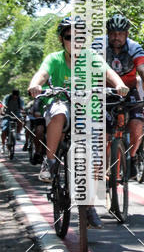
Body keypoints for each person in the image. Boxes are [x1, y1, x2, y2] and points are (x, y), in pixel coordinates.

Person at [28, 17, 128, 228]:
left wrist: (119, 84)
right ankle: (50, 161)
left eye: (79, 37)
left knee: (96, 157)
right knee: (59, 113)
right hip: (60, 105)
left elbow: (108, 72)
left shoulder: (91, 57)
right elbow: (42, 73)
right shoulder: (54, 59)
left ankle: (89, 206)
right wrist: (36, 85)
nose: (74, 41)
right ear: (62, 39)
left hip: (86, 110)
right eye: (69, 37)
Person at [105, 14, 144, 178]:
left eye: (121, 33)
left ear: (127, 34)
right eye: (113, 33)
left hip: (129, 91)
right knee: (103, 133)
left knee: (137, 125)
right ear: (108, 33)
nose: (117, 37)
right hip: (105, 92)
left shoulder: (135, 48)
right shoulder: (98, 45)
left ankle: (131, 157)